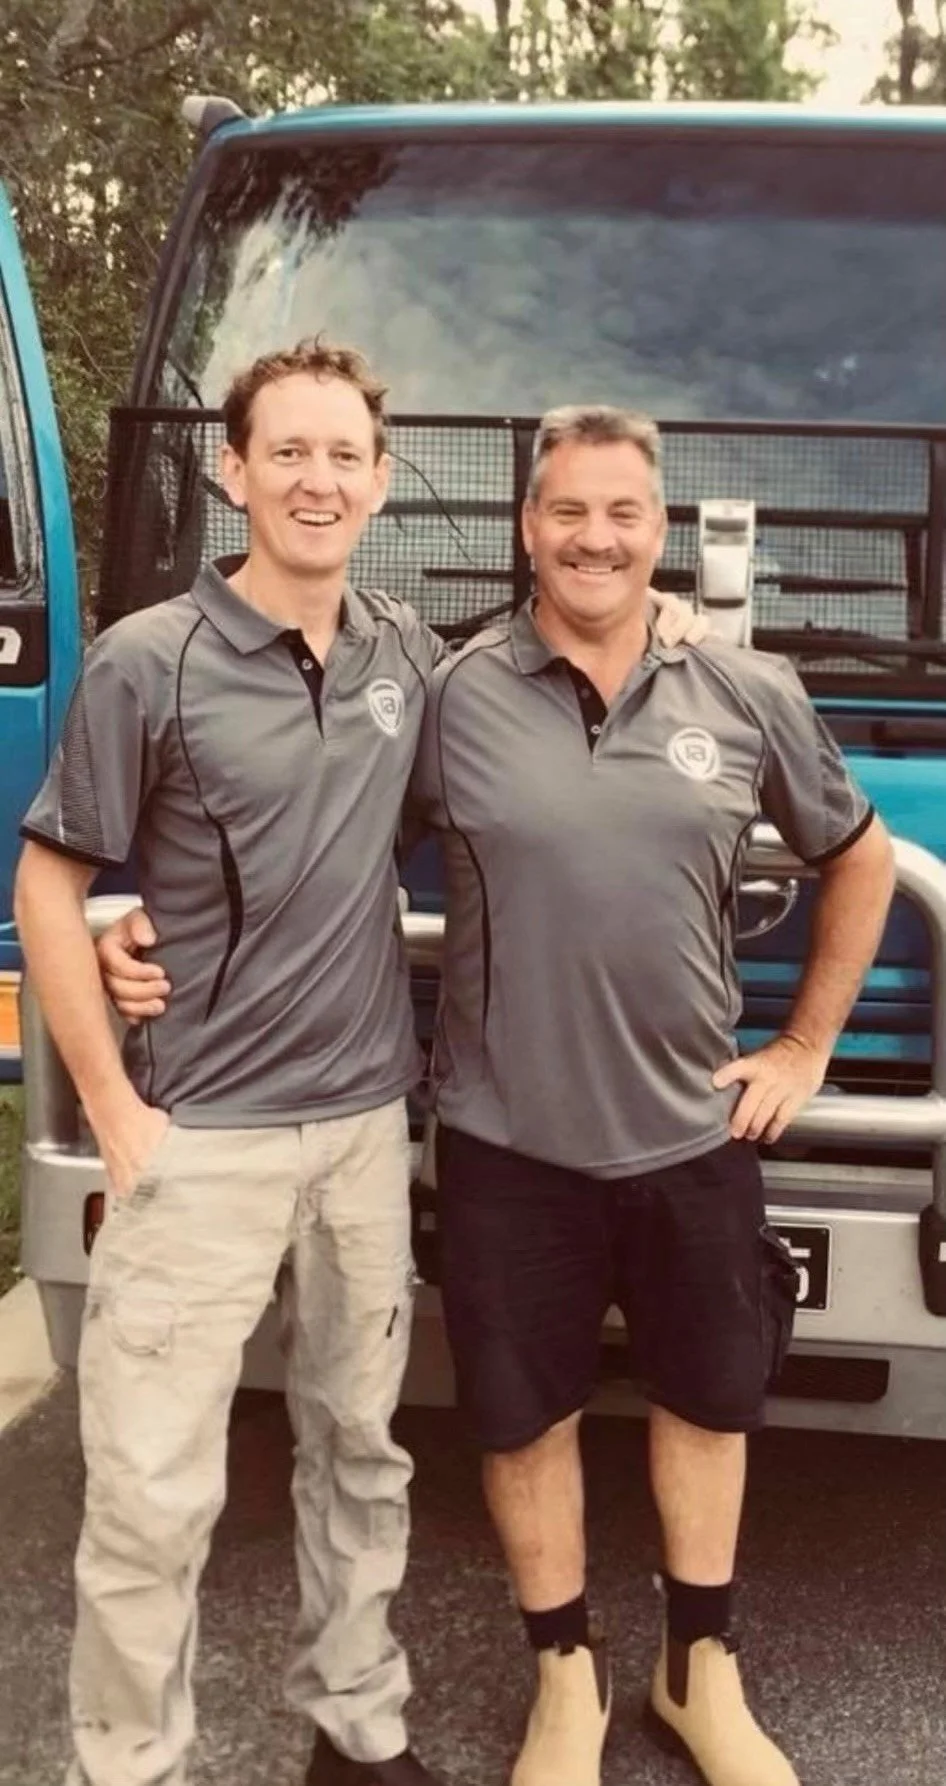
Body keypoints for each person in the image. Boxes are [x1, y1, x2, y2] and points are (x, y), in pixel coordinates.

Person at [14, 345, 698, 1786]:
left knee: (360, 1450)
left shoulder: (403, 657)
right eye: (289, 453)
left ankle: (355, 1724)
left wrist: (661, 622)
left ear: (381, 481)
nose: (318, 480)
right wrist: (119, 1107)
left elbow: (552, 680)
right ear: (234, 469)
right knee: (151, 1491)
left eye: (344, 456)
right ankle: (128, 1762)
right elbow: (49, 882)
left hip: (361, 1136)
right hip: (198, 1140)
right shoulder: (153, 658)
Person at [403, 405, 896, 1786]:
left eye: (622, 512)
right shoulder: (454, 694)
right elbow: (328, 832)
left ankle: (697, 1672)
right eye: (566, 509)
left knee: (707, 1399)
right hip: (506, 1137)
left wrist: (801, 1047)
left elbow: (855, 858)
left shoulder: (744, 692)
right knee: (521, 1412)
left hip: (694, 1129)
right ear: (526, 525)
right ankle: (562, 1671)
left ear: (659, 529)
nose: (593, 536)